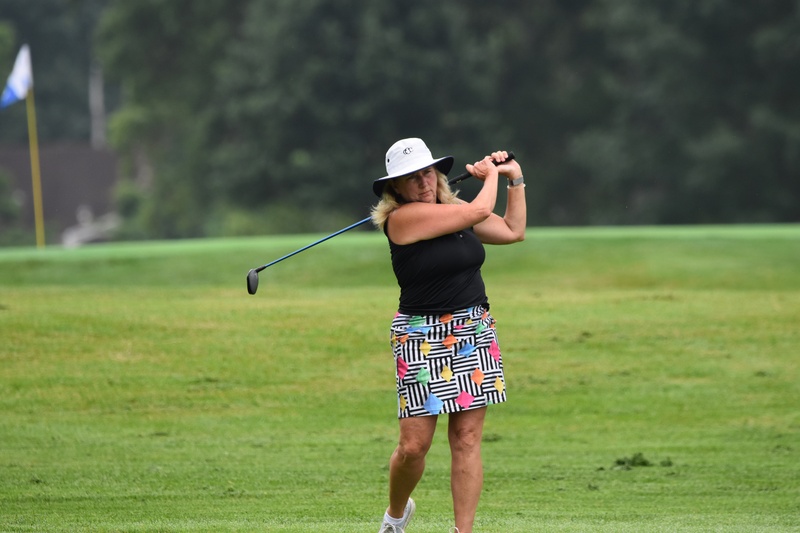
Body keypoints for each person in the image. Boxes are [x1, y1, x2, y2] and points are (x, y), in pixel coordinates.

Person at [370, 138, 526, 533]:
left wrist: (514, 179)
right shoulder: (402, 219)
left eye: (427, 173)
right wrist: (489, 175)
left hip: (472, 330)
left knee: (467, 438)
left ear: (437, 174)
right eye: (412, 178)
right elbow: (479, 210)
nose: (423, 182)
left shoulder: (456, 212)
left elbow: (513, 231)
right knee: (414, 447)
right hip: (421, 335)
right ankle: (395, 515)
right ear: (395, 188)